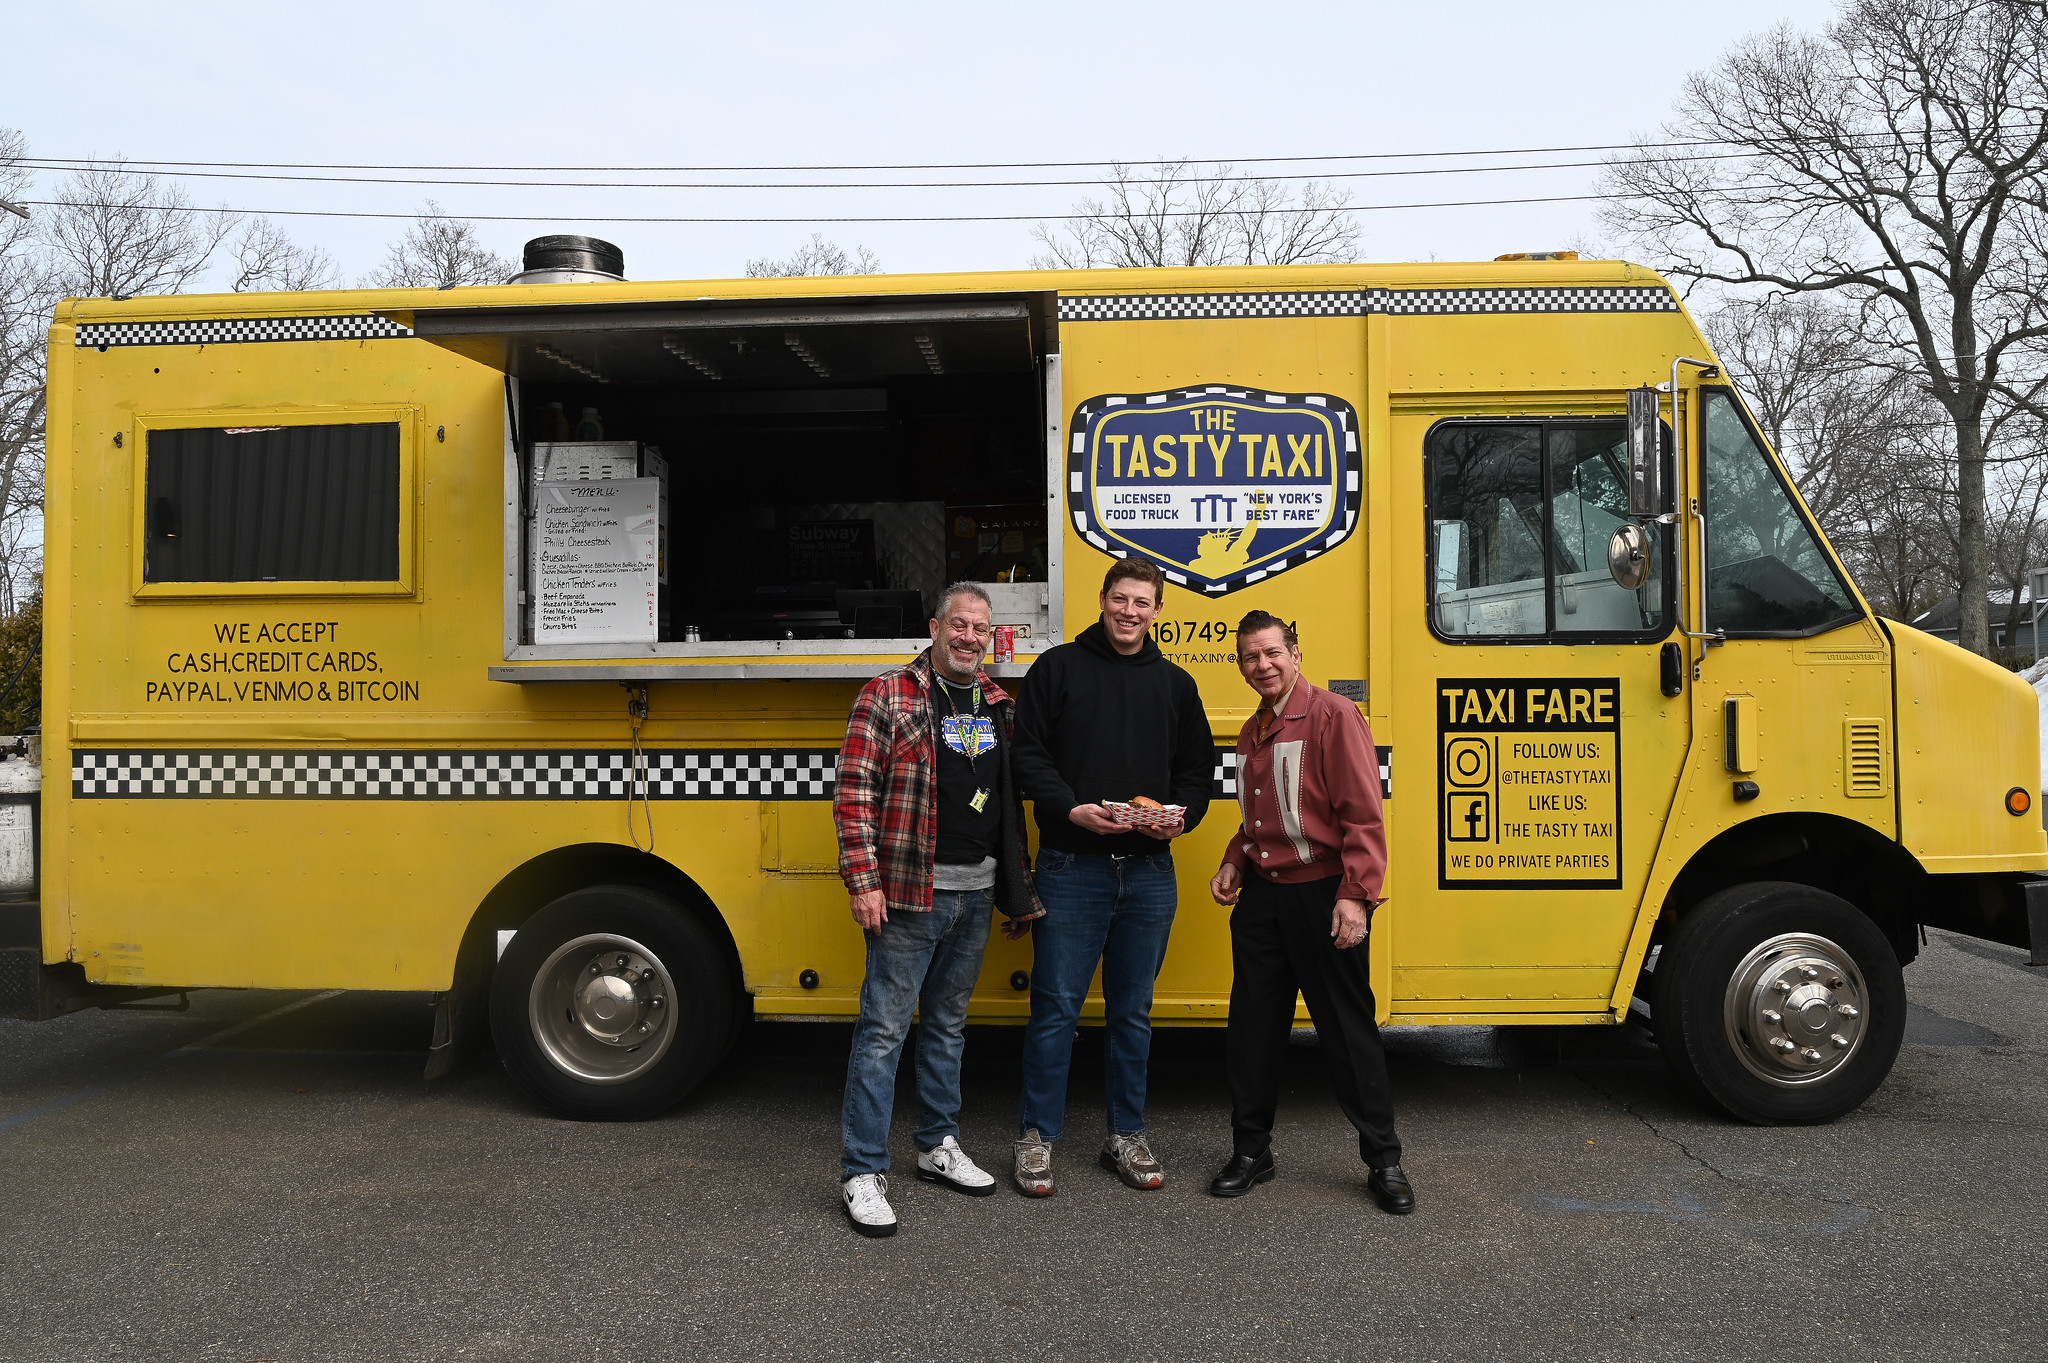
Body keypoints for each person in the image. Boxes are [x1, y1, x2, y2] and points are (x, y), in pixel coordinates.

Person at [834, 583, 1043, 1237]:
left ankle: (936, 1145)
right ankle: (862, 1170)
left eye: (980, 628)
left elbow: (1008, 805)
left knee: (948, 1027)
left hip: (977, 892)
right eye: (959, 624)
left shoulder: (999, 704)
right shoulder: (888, 693)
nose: (969, 637)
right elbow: (853, 792)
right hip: (908, 893)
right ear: (934, 627)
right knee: (883, 1032)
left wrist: (1016, 890)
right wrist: (863, 882)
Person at [1009, 558, 1214, 1195]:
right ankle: (1037, 1137)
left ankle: (1126, 1135)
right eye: (1120, 599)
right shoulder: (1057, 670)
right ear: (1102, 600)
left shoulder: (1176, 685)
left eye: (1142, 603)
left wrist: (1178, 821)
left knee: (1132, 1013)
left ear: (1158, 611)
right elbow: (1026, 756)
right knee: (1055, 1010)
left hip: (1150, 872)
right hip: (1071, 867)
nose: (1130, 612)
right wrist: (1071, 809)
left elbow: (1197, 774)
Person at [1206, 610, 1413, 1215]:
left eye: (1272, 652)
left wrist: (1356, 894)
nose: (1262, 665)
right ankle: (1252, 1152)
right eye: (1250, 657)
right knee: (1252, 1032)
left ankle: (1384, 1161)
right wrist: (1234, 862)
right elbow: (1257, 821)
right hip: (1263, 901)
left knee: (1349, 1034)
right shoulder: (1252, 731)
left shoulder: (1334, 716)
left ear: (1295, 654)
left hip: (1324, 895)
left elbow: (1363, 816)